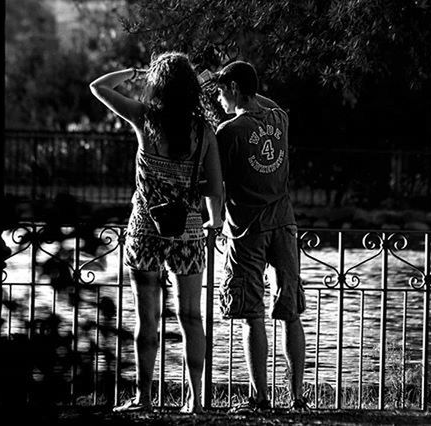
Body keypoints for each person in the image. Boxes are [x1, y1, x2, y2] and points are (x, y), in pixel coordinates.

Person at [89, 52, 223, 414]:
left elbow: (98, 87)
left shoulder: (144, 118)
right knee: (191, 317)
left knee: (147, 318)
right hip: (190, 233)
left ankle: (144, 398)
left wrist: (135, 72)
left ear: (157, 84)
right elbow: (215, 187)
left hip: (146, 229)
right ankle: (195, 401)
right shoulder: (203, 131)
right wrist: (216, 222)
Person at [213, 61, 308, 413]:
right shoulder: (278, 120)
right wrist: (245, 86)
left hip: (247, 230)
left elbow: (216, 184)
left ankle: (260, 398)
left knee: (252, 313)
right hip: (284, 225)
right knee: (290, 312)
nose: (218, 97)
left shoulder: (228, 132)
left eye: (222, 90)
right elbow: (266, 103)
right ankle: (297, 398)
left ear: (235, 88)